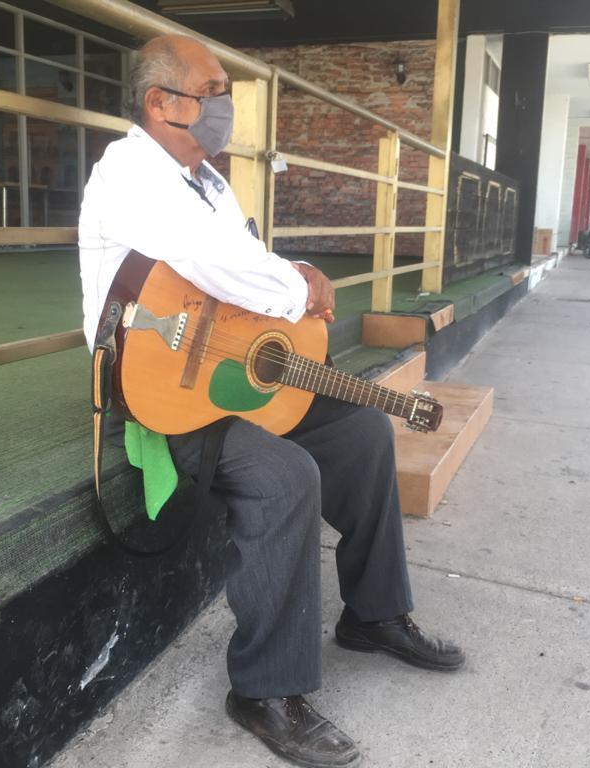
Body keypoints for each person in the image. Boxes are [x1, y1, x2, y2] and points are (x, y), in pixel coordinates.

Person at [79, 34, 465, 768]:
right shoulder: (129, 172)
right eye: (214, 90)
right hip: (158, 386)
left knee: (361, 432)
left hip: (223, 369)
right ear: (162, 102)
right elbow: (210, 259)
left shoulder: (209, 182)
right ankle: (263, 690)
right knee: (288, 477)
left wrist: (292, 271)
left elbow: (242, 262)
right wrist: (299, 287)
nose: (226, 106)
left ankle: (375, 613)